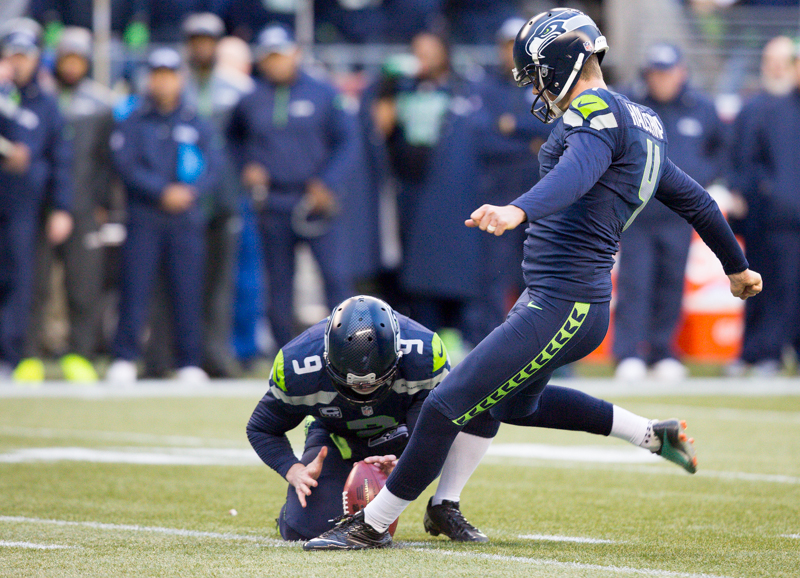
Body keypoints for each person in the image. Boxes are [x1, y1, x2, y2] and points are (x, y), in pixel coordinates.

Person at [303, 9, 762, 550]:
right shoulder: (637, 119)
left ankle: (372, 523)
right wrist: (736, 267)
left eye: (540, 73)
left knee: (445, 403)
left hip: (564, 302)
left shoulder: (597, 116)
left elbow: (576, 174)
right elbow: (697, 200)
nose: (539, 88)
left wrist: (518, 210)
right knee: (510, 404)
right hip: (561, 299)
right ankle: (642, 438)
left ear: (564, 61)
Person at [246, 295, 499, 542]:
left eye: (375, 383)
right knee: (304, 530)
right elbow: (261, 428)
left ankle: (444, 504)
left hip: (402, 434)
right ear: (325, 359)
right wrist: (293, 469)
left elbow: (433, 435)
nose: (363, 391)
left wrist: (404, 463)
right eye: (349, 384)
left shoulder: (423, 353)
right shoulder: (298, 364)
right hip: (335, 440)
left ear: (398, 355)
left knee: (479, 399)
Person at [227, 24, 358, 349]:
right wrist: (246, 166)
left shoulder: (323, 93)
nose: (275, 63)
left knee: (336, 278)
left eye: (281, 55)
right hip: (273, 201)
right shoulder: (251, 98)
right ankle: (287, 354)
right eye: (269, 57)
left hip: (317, 202)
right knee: (278, 284)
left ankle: (349, 352)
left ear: (295, 54)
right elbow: (231, 139)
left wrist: (328, 183)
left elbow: (348, 142)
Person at [105, 48, 222, 383]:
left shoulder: (195, 121)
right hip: (145, 214)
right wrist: (161, 191)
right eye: (157, 74)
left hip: (186, 216)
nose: (163, 81)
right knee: (135, 286)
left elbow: (213, 166)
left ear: (180, 78)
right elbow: (125, 164)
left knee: (187, 289)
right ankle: (124, 356)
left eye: (170, 74)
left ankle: (188, 359)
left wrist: (191, 192)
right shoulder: (134, 120)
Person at [613, 43, 725, 382]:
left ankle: (663, 351)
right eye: (655, 73)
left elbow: (722, 149)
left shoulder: (701, 108)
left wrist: (704, 177)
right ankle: (629, 352)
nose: (661, 80)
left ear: (682, 73)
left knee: (670, 283)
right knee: (635, 283)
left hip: (679, 215)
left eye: (667, 72)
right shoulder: (631, 107)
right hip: (638, 213)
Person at [23, 27, 114, 383]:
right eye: (66, 59)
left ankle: (80, 352)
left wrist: (103, 203)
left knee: (83, 285)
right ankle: (28, 353)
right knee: (35, 284)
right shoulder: (40, 98)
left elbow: (106, 161)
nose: (72, 66)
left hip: (84, 205)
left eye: (78, 59)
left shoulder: (99, 104)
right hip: (40, 205)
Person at [0, 21, 73, 383]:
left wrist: (61, 206)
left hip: (24, 203)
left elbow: (59, 157)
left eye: (24, 56)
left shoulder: (45, 103)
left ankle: (10, 353)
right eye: (12, 55)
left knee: (19, 277)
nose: (18, 63)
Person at [726, 36, 797, 377]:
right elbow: (739, 159)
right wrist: (748, 191)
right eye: (774, 60)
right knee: (761, 286)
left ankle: (782, 351)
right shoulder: (753, 107)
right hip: (764, 216)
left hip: (791, 214)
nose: (779, 68)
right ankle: (759, 351)